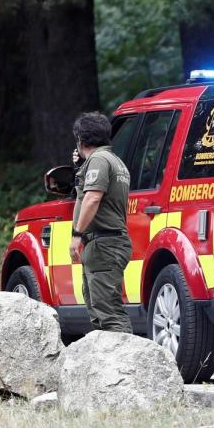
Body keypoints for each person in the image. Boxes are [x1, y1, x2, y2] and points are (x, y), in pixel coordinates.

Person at [69, 112, 133, 333]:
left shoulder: (99, 160)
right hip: (106, 244)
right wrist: (80, 169)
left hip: (105, 244)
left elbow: (92, 198)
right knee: (99, 311)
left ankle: (126, 355)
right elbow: (85, 196)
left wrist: (77, 234)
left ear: (81, 139)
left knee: (109, 314)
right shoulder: (113, 160)